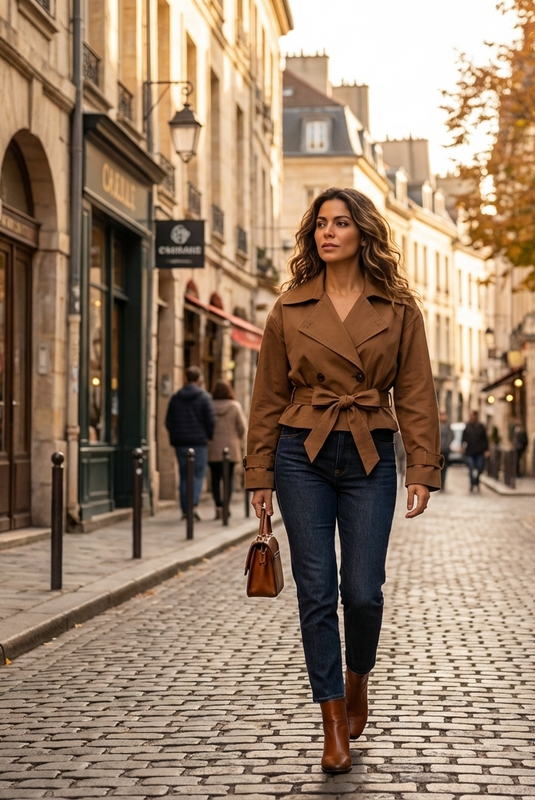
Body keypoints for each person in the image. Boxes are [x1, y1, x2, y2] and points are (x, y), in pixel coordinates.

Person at [244, 187, 442, 775]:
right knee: (315, 592)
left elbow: (415, 393)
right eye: (321, 224)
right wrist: (260, 473)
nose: (328, 233)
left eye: (341, 223)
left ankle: (358, 677)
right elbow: (267, 398)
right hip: (299, 451)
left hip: (370, 452)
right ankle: (333, 720)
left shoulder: (399, 308)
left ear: (364, 234)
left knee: (362, 590)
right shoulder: (290, 307)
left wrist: (423, 468)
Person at [165, 366, 215, 520]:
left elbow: (168, 421)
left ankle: (185, 509)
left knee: (184, 475)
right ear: (199, 379)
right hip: (198, 442)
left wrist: (176, 436)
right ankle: (192, 506)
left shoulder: (176, 397)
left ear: (186, 379)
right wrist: (208, 436)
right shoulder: (204, 397)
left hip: (181, 443)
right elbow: (211, 421)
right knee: (198, 475)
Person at [207, 379, 247, 520]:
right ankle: (226, 507)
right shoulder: (235, 406)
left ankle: (218, 506)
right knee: (228, 478)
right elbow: (242, 427)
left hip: (213, 448)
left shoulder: (209, 406)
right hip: (231, 448)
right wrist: (237, 439)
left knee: (215, 479)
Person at [461, 409, 489, 492]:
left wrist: (486, 450)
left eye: (472, 415)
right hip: (470, 452)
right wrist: (462, 446)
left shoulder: (481, 426)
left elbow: (485, 439)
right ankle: (472, 484)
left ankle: (477, 482)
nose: (471, 417)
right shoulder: (467, 426)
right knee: (471, 468)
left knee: (480, 468)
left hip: (479, 451)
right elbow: (464, 438)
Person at [438, 411, 453, 490]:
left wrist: (447, 445)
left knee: (445, 467)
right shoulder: (437, 426)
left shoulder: (448, 426)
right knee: (439, 468)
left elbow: (451, 436)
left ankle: (443, 482)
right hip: (438, 451)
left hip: (446, 451)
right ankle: (439, 483)